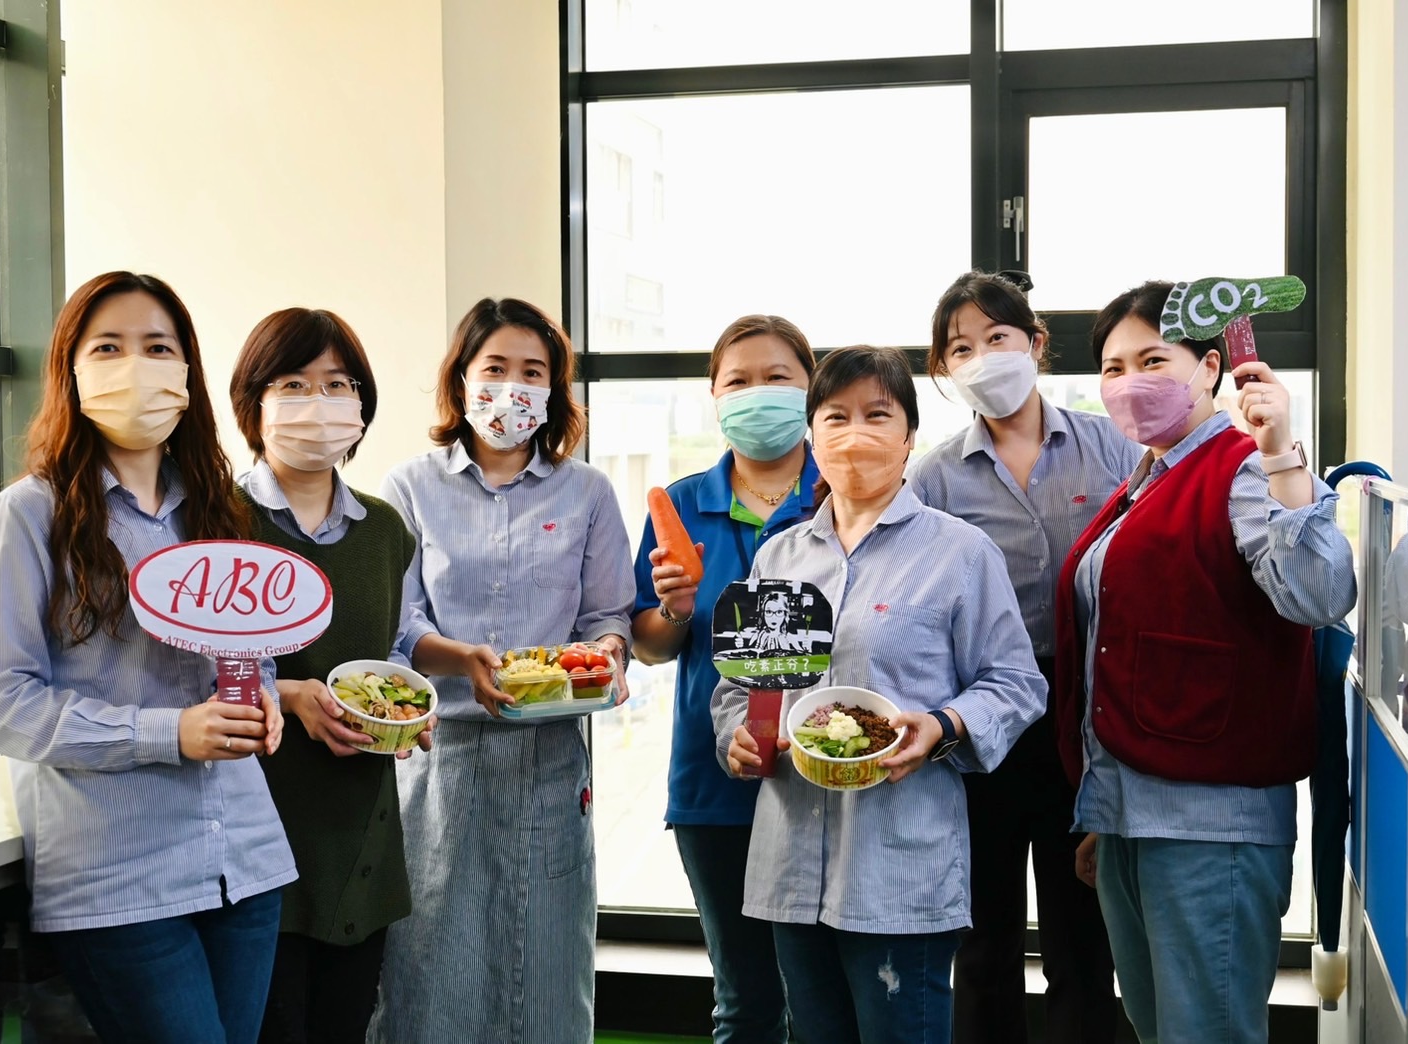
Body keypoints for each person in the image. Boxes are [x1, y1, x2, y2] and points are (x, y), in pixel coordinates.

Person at [0, 272, 296, 1043]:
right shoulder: (29, 516)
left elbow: (249, 653)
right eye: (108, 348)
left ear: (186, 374)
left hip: (244, 863)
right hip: (119, 883)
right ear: (72, 371)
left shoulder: (217, 507)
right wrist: (167, 733)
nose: (136, 366)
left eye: (158, 347)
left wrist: (266, 701)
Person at [714, 345, 1046, 1044]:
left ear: (909, 437)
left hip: (898, 868)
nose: (854, 434)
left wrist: (944, 725)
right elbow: (742, 683)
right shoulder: (781, 555)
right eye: (835, 416)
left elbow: (1017, 682)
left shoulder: (959, 552)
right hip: (791, 862)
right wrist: (737, 735)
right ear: (812, 435)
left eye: (877, 414)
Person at [1057, 281, 1357, 1044]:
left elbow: (1320, 594)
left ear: (1211, 368)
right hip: (1132, 817)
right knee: (1161, 1027)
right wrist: (1107, 813)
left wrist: (1282, 451)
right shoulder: (1147, 481)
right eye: (1114, 366)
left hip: (1211, 823)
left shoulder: (1245, 469)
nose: (1130, 382)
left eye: (1153, 359)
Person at [368, 298, 635, 1044]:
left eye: (533, 373)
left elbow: (609, 617)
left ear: (553, 391)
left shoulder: (586, 492)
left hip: (550, 757)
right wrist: (463, 661)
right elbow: (398, 623)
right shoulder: (411, 486)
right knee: (428, 973)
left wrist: (605, 657)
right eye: (495, 369)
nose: (512, 389)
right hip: (439, 759)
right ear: (460, 381)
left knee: (546, 973)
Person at [909, 272, 1129, 1044]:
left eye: (997, 338)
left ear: (1035, 345)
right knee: (985, 940)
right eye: (960, 348)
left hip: (1083, 721)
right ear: (943, 371)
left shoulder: (1112, 447)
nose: (982, 357)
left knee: (1083, 940)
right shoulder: (934, 475)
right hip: (983, 726)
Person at [229, 307, 433, 1043]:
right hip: (253, 829)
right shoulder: (216, 521)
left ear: (361, 406)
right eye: (294, 383)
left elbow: (396, 647)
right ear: (254, 404)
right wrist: (286, 694)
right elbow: (178, 671)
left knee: (345, 1027)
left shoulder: (383, 528)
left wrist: (410, 707)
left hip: (360, 827)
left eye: (338, 384)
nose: (319, 404)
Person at [631, 314, 818, 1044]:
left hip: (823, 781)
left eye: (778, 378)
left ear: (810, 388)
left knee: (823, 997)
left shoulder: (843, 497)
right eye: (738, 381)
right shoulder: (679, 505)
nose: (758, 393)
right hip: (716, 787)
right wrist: (676, 608)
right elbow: (648, 646)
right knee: (744, 1000)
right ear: (713, 397)